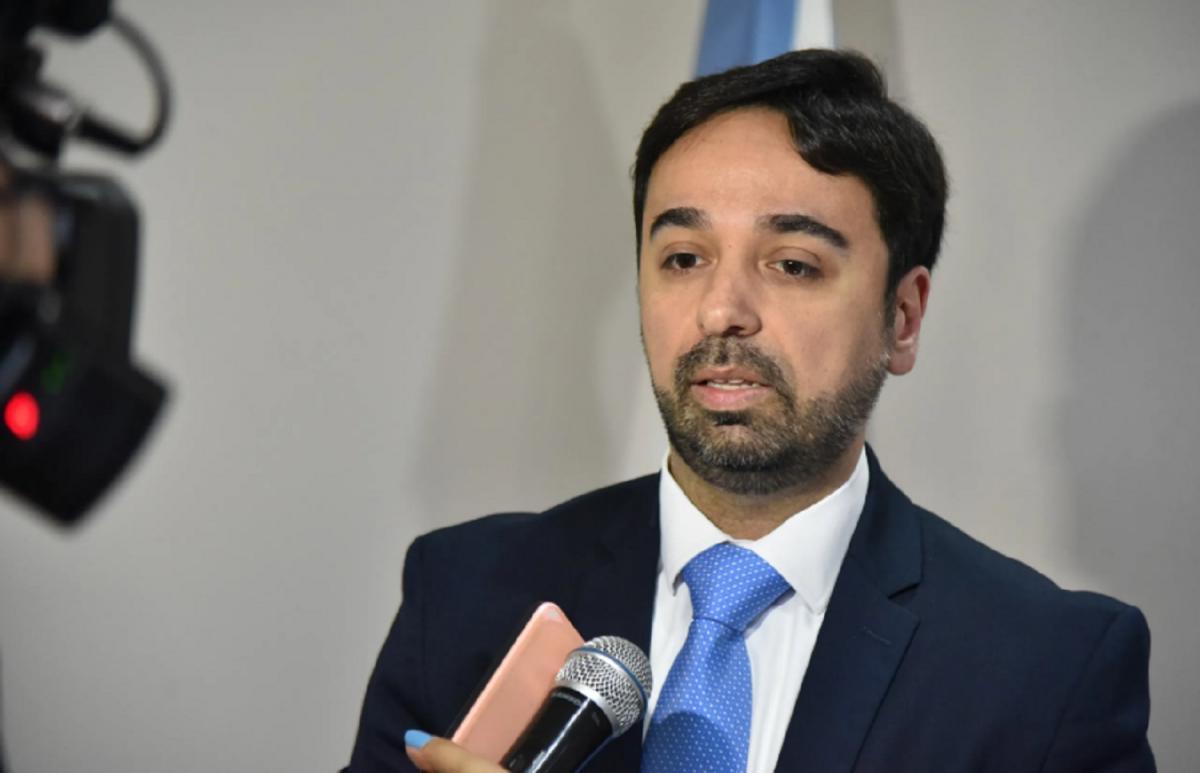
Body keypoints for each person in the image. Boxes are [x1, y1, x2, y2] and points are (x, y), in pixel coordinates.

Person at [343, 49, 1154, 773]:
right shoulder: (463, 594)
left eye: (793, 264)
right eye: (683, 258)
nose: (720, 310)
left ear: (902, 317)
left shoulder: (1048, 669)